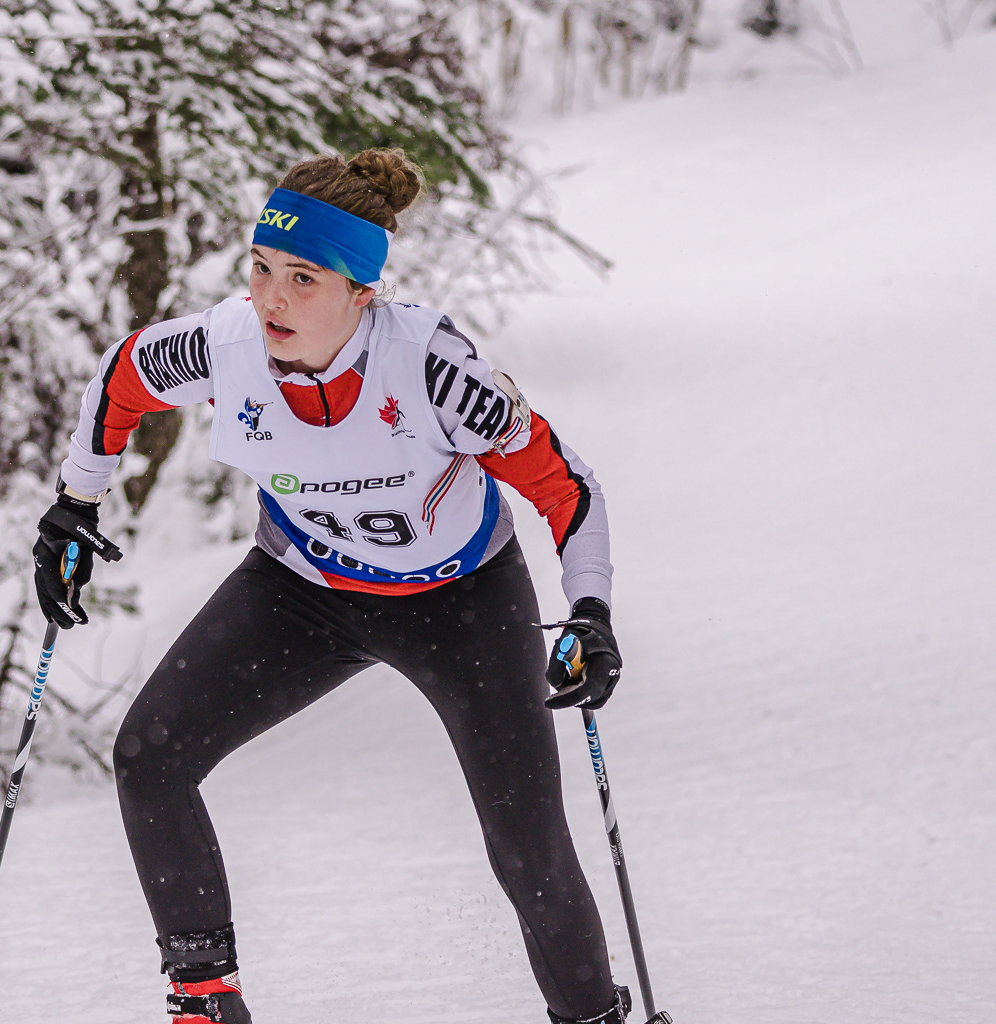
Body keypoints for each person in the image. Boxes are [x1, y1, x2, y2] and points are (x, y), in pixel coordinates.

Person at [33, 148, 630, 1024]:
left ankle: (594, 1017)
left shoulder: (434, 370)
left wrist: (591, 610)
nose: (271, 298)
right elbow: (121, 377)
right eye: (261, 267)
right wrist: (74, 504)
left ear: (363, 293)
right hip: (303, 588)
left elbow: (566, 487)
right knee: (150, 757)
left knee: (527, 846)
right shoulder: (221, 345)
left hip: (461, 599)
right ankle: (204, 1001)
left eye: (303, 278)